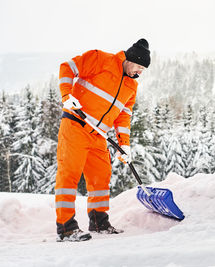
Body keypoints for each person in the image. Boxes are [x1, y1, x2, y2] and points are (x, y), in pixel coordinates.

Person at [55, 39, 151, 242]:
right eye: (139, 67)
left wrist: (124, 143)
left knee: (101, 178)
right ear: (130, 59)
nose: (140, 72)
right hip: (76, 125)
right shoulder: (100, 59)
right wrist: (66, 96)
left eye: (143, 69)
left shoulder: (131, 86)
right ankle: (66, 228)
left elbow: (124, 116)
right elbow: (67, 68)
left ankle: (99, 222)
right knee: (69, 175)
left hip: (99, 134)